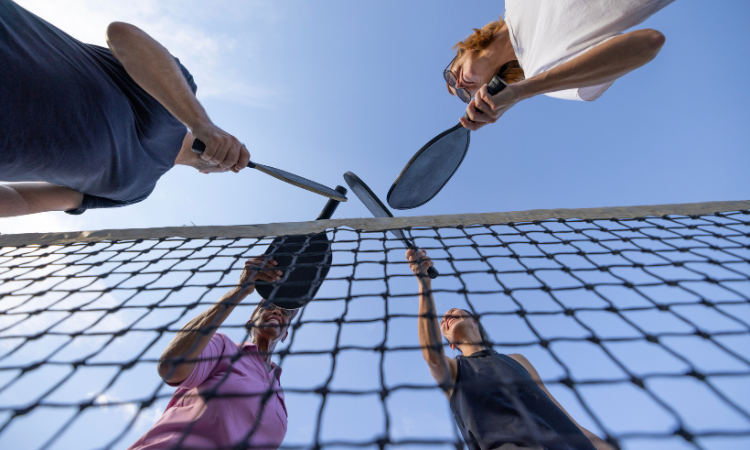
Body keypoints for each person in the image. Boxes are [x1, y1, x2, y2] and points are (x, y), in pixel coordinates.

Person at [0, 0, 249, 218]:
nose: (231, 159)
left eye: (233, 164)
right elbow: (121, 34)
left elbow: (24, 199)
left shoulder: (135, 193)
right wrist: (201, 123)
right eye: (238, 149)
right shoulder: (178, 91)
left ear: (207, 173)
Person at [405, 249, 615, 450]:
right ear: (451, 345)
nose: (446, 317)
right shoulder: (452, 370)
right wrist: (424, 283)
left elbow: (557, 413)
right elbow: (432, 355)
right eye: (442, 322)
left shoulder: (517, 360)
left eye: (454, 312)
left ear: (475, 321)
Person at [128, 256, 292, 450]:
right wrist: (241, 290)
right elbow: (171, 367)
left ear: (285, 334)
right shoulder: (223, 347)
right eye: (268, 306)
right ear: (250, 322)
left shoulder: (280, 398)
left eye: (285, 312)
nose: (278, 312)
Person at [445, 0, 675, 131]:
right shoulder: (547, 77)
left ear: (461, 52)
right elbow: (648, 43)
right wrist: (521, 91)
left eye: (451, 77)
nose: (461, 85)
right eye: (465, 94)